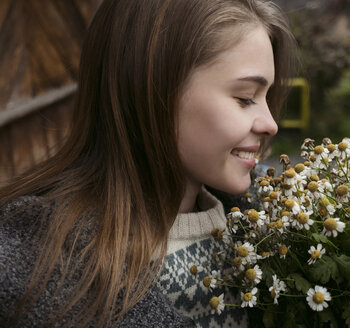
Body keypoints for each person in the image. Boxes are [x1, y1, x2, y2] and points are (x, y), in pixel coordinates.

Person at [0, 0, 295, 327]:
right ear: (155, 90)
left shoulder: (267, 237)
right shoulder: (38, 269)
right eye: (245, 98)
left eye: (267, 98)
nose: (270, 123)